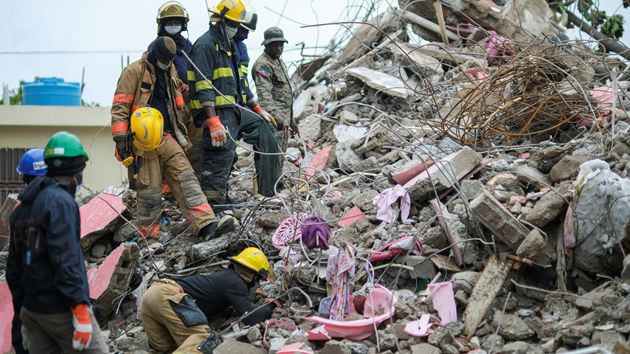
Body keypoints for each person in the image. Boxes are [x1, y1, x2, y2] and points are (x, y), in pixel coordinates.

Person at [111, 36, 234, 240]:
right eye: (164, 60)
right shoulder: (133, 72)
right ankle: (149, 237)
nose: (167, 64)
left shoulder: (170, 71)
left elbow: (181, 94)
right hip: (144, 140)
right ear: (154, 56)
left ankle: (205, 223)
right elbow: (120, 106)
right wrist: (120, 138)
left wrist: (203, 97)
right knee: (149, 189)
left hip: (168, 136)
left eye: (170, 60)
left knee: (186, 177)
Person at [6, 132, 109, 353]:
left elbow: (13, 268)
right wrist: (81, 311)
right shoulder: (60, 202)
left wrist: (21, 308)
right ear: (77, 171)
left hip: (33, 311)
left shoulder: (21, 208)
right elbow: (66, 259)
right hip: (61, 309)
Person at [188, 0, 285, 211]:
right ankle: (214, 204)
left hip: (236, 109)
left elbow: (241, 82)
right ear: (223, 21)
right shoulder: (205, 45)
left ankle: (268, 190)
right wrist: (213, 121)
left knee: (266, 129)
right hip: (216, 111)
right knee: (221, 151)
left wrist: (256, 108)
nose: (245, 33)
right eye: (240, 27)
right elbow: (203, 85)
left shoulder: (231, 45)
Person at [140, 247, 280, 353]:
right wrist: (272, 304)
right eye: (259, 280)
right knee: (203, 339)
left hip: (152, 293)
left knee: (170, 348)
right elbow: (251, 318)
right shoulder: (237, 283)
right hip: (169, 295)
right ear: (254, 276)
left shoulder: (226, 277)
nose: (258, 285)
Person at [150, 1, 203, 178]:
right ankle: (170, 188)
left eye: (176, 22)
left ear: (183, 24)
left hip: (190, 103)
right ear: (161, 25)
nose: (173, 26)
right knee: (172, 146)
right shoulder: (155, 47)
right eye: (169, 22)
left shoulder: (188, 46)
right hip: (168, 106)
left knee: (196, 144)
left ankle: (196, 182)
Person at [252, 27, 300, 192]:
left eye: (281, 45)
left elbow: (284, 95)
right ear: (266, 45)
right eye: (274, 46)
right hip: (274, 120)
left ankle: (277, 184)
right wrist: (275, 117)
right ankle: (267, 189)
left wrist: (292, 120)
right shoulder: (263, 65)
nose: (278, 49)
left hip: (284, 119)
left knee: (280, 154)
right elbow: (265, 95)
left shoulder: (279, 62)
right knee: (271, 154)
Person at [9, 148, 47, 354]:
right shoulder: (57, 205)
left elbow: (13, 265)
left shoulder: (18, 210)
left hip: (26, 298)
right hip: (50, 302)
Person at [233, 0, 257, 84]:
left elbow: (243, 78)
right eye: (244, 31)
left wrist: (248, 95)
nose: (246, 36)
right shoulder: (220, 44)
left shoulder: (242, 48)